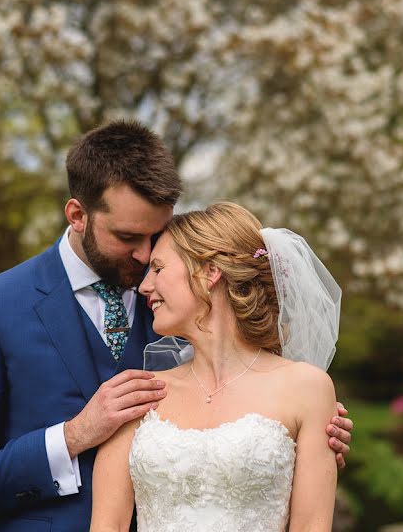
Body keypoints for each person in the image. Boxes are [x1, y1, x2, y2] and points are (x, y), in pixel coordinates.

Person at [0, 121, 353, 531]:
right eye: (129, 237)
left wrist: (299, 441)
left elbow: (244, 399)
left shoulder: (180, 302)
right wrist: (73, 436)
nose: (144, 255)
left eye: (157, 236)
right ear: (78, 215)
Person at [91, 202, 341, 532]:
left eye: (159, 268)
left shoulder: (308, 388)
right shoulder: (138, 393)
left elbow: (311, 526)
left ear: (209, 272)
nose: (144, 286)